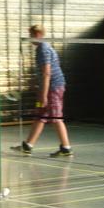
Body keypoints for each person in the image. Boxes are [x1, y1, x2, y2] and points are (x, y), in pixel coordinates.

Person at [11, 24, 72, 158]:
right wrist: (39, 88)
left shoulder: (43, 49)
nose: (29, 38)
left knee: (56, 117)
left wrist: (43, 96)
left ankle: (66, 148)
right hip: (47, 88)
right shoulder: (42, 48)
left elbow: (47, 74)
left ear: (38, 35)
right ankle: (28, 146)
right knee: (40, 115)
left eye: (31, 35)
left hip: (53, 88)